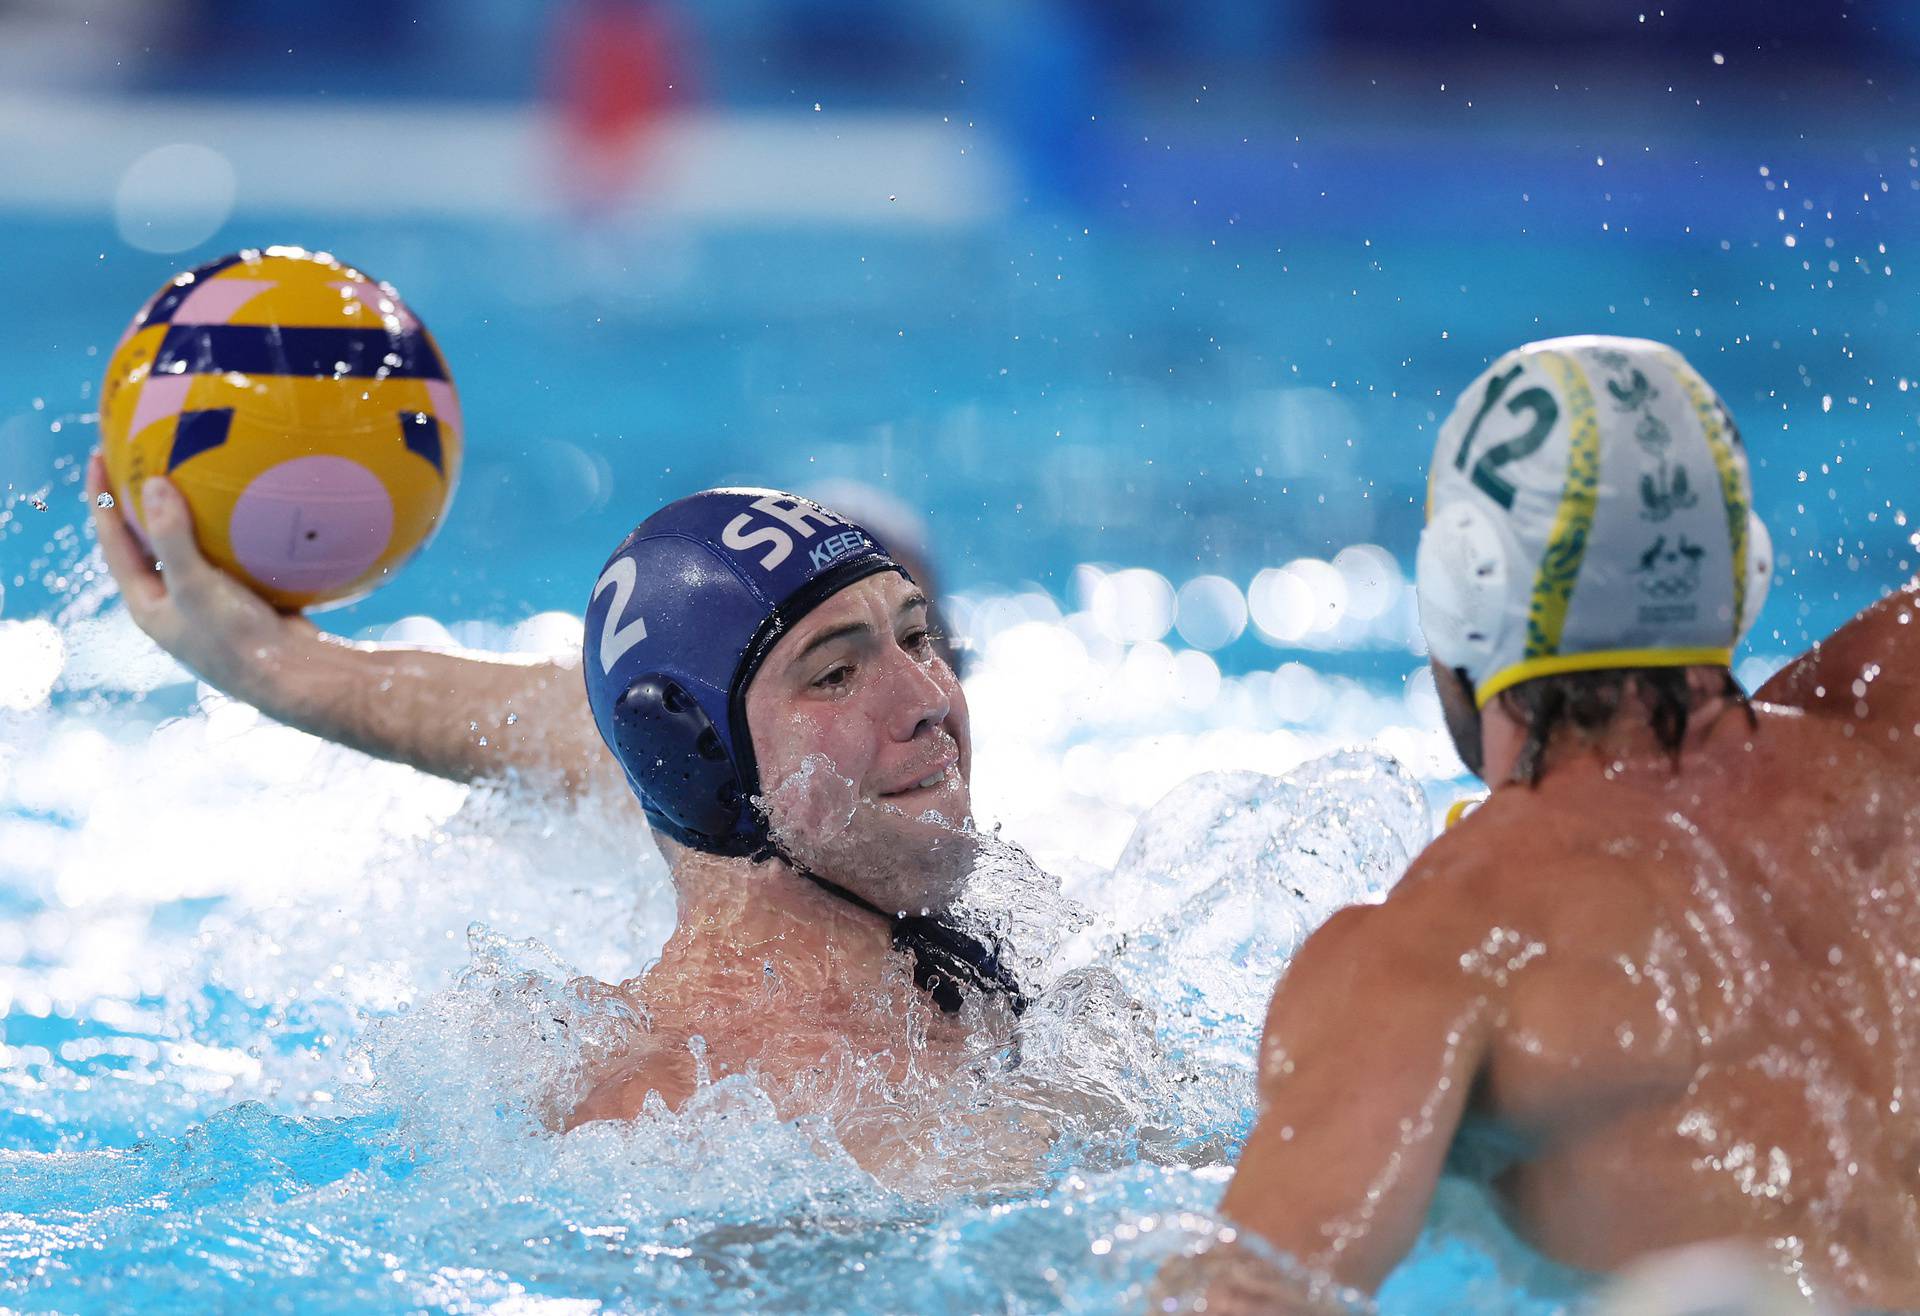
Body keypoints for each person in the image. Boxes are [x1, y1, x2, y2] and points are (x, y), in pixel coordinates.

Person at [87, 464, 1102, 1180]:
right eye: (837, 669)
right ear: (702, 764)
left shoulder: (821, 817)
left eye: (920, 636)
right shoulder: (672, 1113)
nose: (929, 696)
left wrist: (276, 665)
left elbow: (546, 718)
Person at [1183, 336, 1920, 1311]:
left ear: (1458, 583)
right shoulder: (1888, 732)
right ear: (1743, 570)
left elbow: (1249, 1296)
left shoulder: (1434, 945)